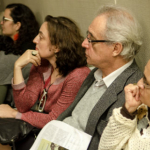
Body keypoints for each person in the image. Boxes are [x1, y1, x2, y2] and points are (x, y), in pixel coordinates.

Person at [55, 5, 143, 150]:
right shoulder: (96, 71)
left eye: (92, 39)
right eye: (87, 35)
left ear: (116, 48)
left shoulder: (132, 92)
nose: (84, 43)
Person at [0, 15, 90, 150]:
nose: (34, 40)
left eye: (41, 37)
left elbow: (54, 119)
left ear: (57, 46)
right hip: (38, 127)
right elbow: (24, 105)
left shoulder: (78, 75)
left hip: (60, 137)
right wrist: (17, 67)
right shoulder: (42, 64)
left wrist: (14, 114)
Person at [99, 59, 150, 150]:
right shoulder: (142, 108)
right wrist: (127, 111)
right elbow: (104, 147)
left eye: (146, 83)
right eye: (143, 76)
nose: (139, 84)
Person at [0, 3, 39, 104]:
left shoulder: (30, 48)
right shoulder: (5, 42)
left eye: (5, 20)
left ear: (17, 25)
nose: (1, 22)